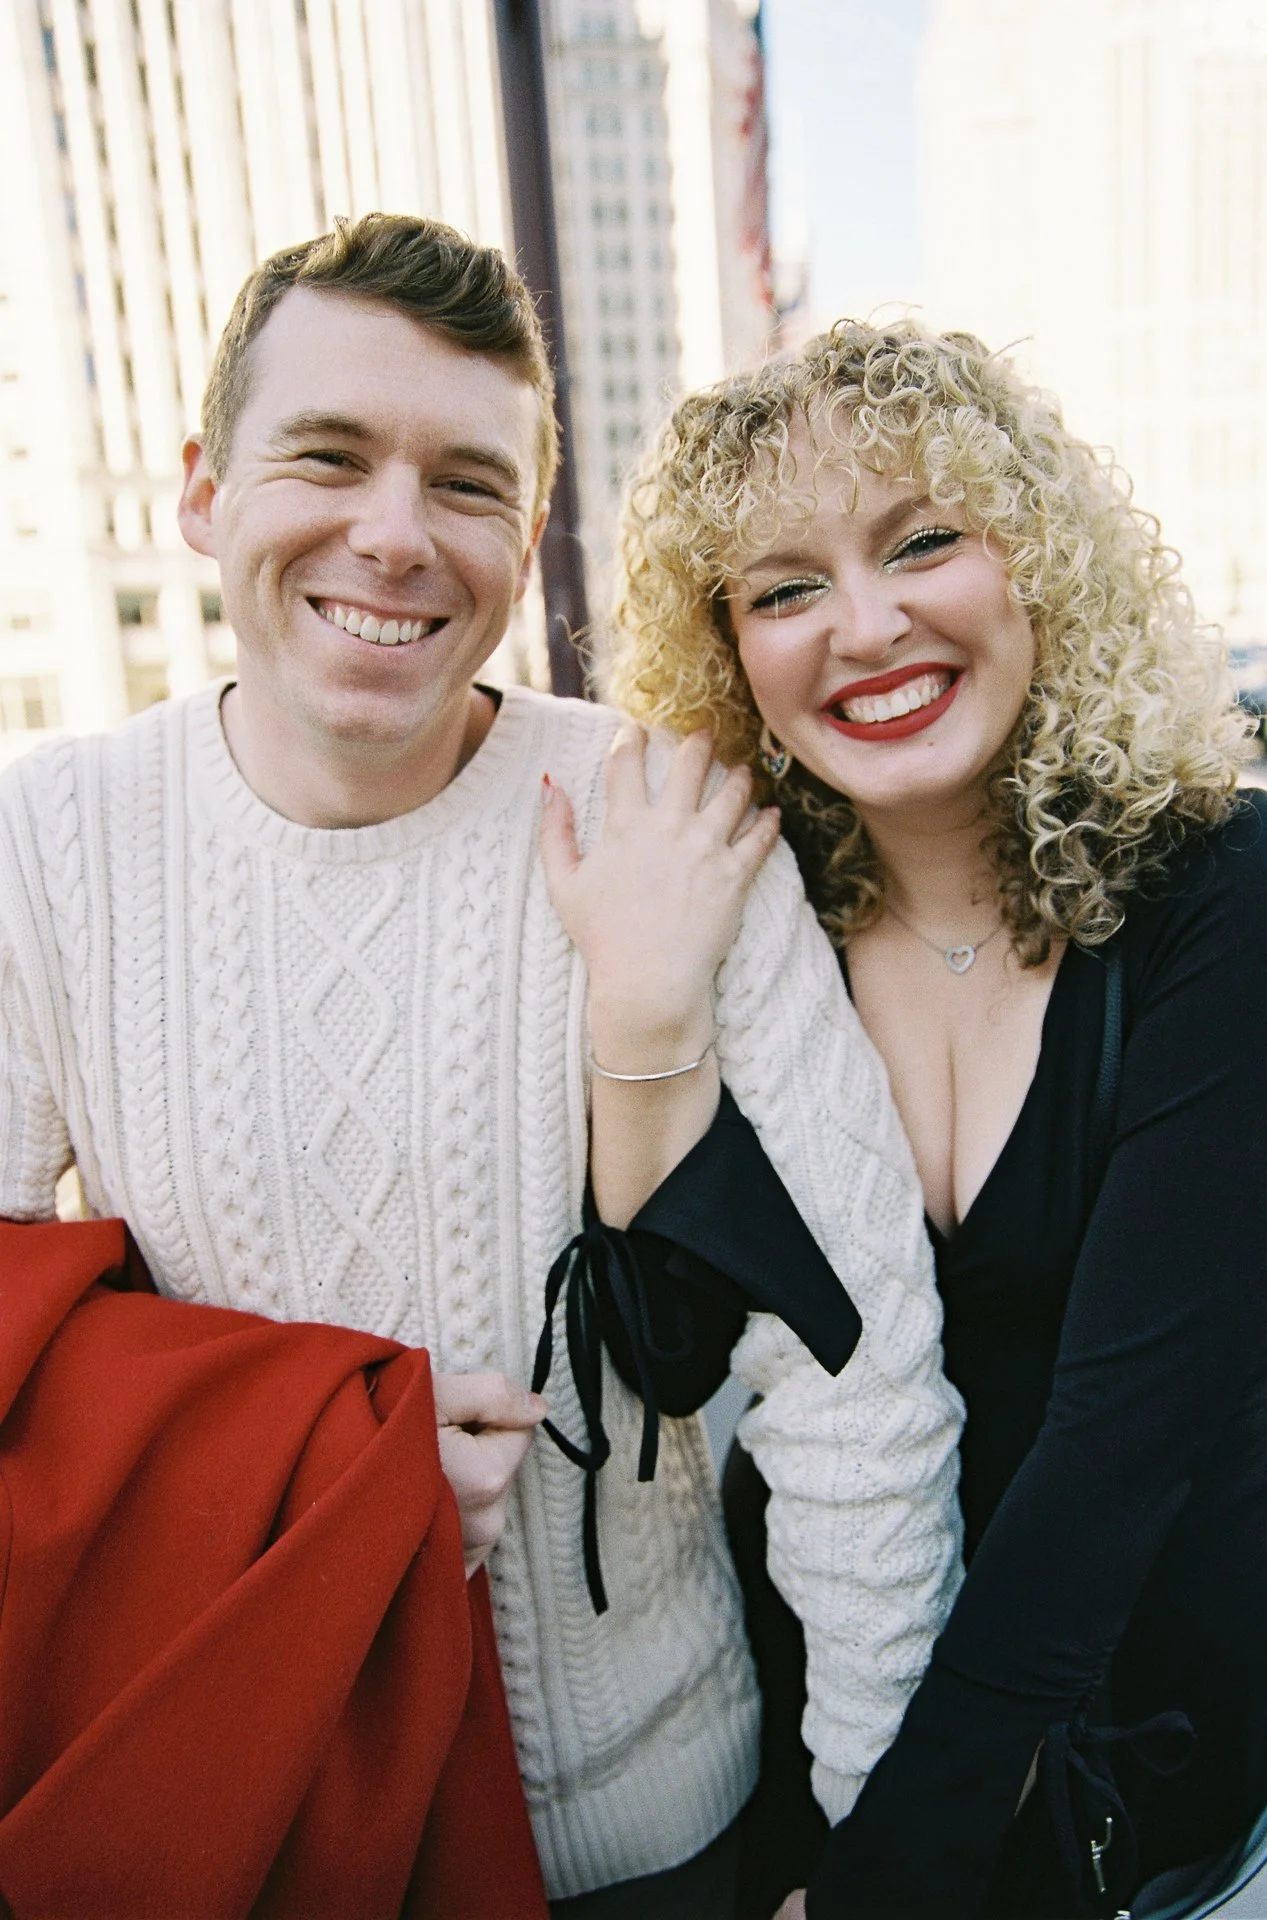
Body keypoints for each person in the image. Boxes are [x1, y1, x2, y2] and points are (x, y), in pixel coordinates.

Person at [0, 220, 964, 1914]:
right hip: (256, 1817)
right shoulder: (41, 844)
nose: (392, 533)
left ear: (526, 543)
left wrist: (885, 1861)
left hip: (655, 1836)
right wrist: (311, 1466)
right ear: (202, 493)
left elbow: (853, 1383)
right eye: (327, 455)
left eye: (465, 485)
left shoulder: (666, 813)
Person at [544, 317, 1267, 1918]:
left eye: (920, 542)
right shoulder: (750, 927)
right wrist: (648, 1009)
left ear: (1038, 565)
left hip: (1139, 1796)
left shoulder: (1220, 895)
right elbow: (668, 1356)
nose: (862, 628)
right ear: (725, 647)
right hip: (822, 1744)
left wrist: (892, 1882)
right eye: (783, 587)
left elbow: (1119, 1456)